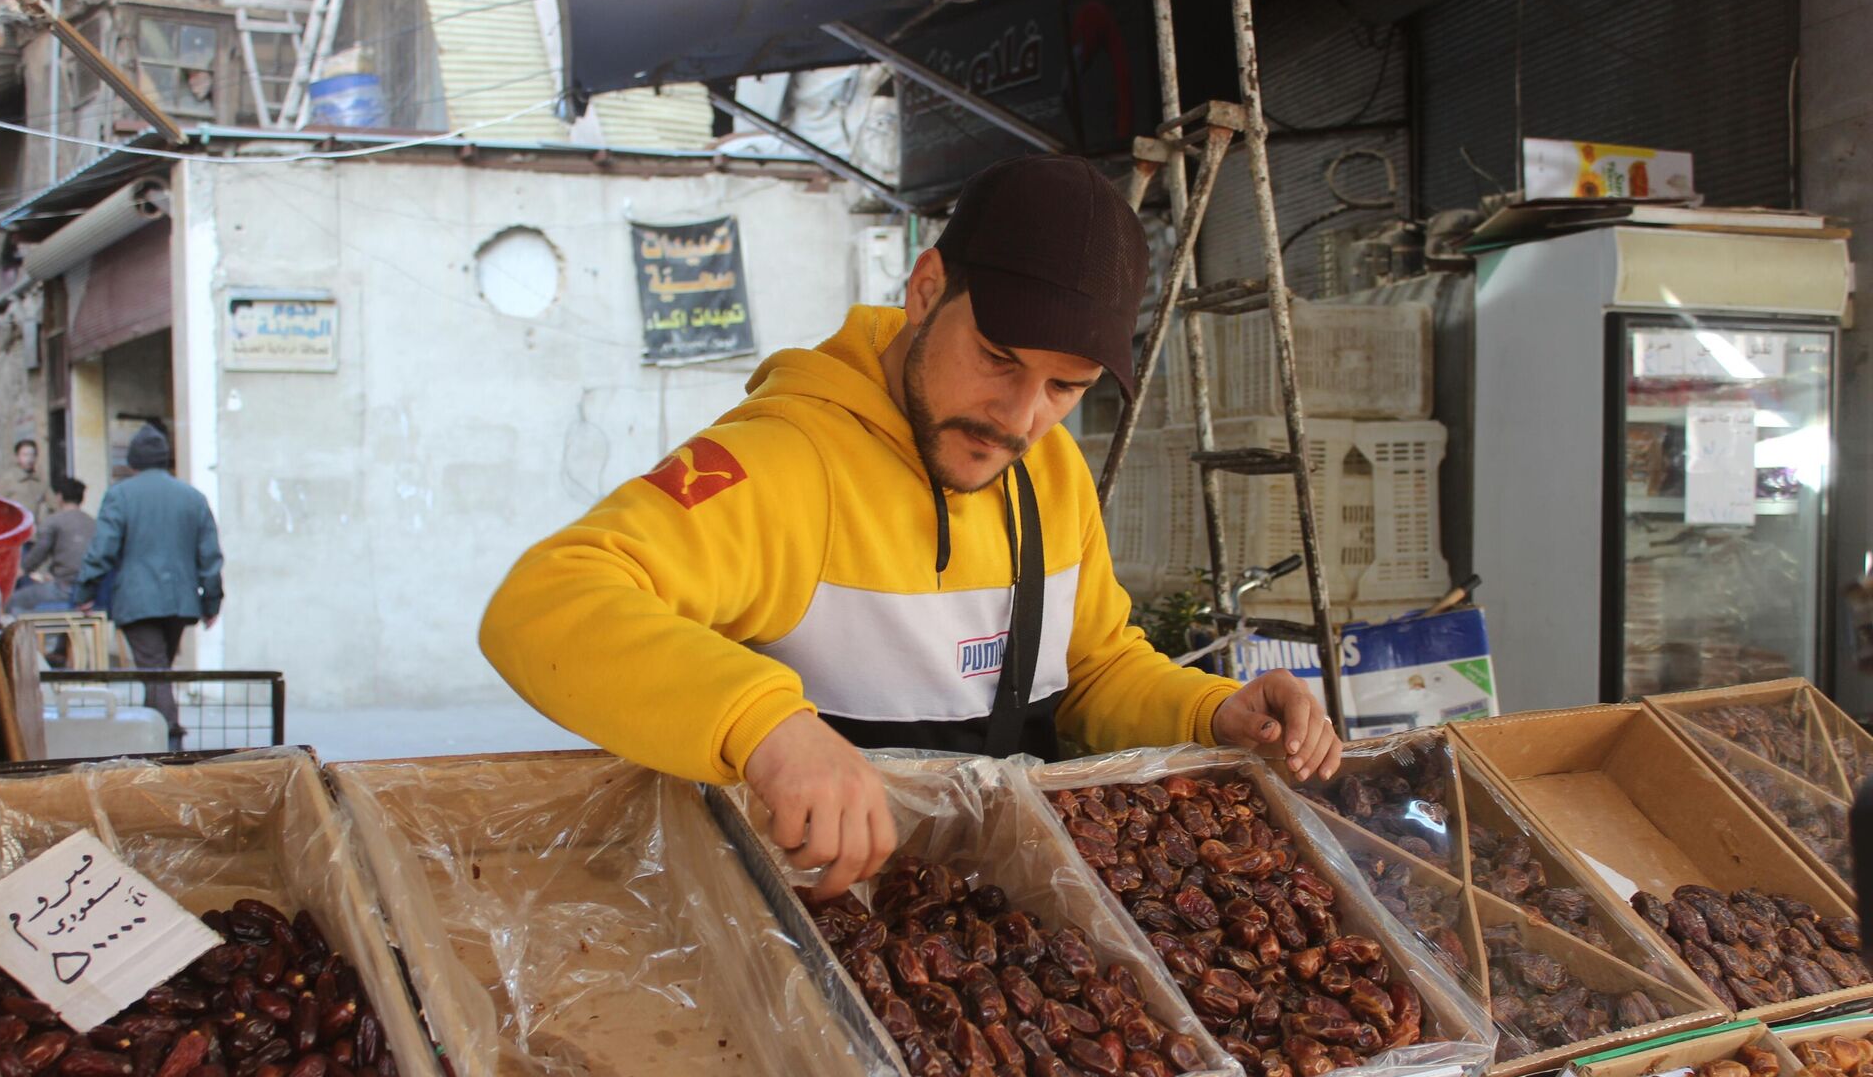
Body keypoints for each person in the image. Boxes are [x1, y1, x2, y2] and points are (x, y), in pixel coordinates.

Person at [480, 154, 1344, 897]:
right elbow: (544, 603)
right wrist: (764, 727)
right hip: (807, 921)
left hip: (1006, 928)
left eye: (1064, 387)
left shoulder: (1051, 468)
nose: (1017, 416)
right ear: (926, 291)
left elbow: (1089, 669)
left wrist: (1211, 711)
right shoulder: (785, 465)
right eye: (998, 359)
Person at [73, 425, 224, 750]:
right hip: (181, 602)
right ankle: (156, 736)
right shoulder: (192, 497)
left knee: (154, 670)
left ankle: (170, 739)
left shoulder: (120, 495)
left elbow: (103, 549)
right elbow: (209, 556)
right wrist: (212, 602)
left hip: (137, 600)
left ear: (133, 461)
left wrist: (85, 591)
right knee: (159, 669)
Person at [8, 477, 95, 613]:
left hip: (64, 588)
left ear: (59, 497)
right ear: (82, 499)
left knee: (13, 602)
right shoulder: (93, 523)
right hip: (90, 590)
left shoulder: (54, 521)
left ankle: (43, 635)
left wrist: (21, 570)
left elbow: (39, 553)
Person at [0, 438, 53, 523]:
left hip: (35, 530)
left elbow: (54, 505)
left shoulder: (40, 481)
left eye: (32, 455)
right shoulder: (8, 479)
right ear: (17, 457)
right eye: (25, 455)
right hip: (14, 528)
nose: (29, 459)